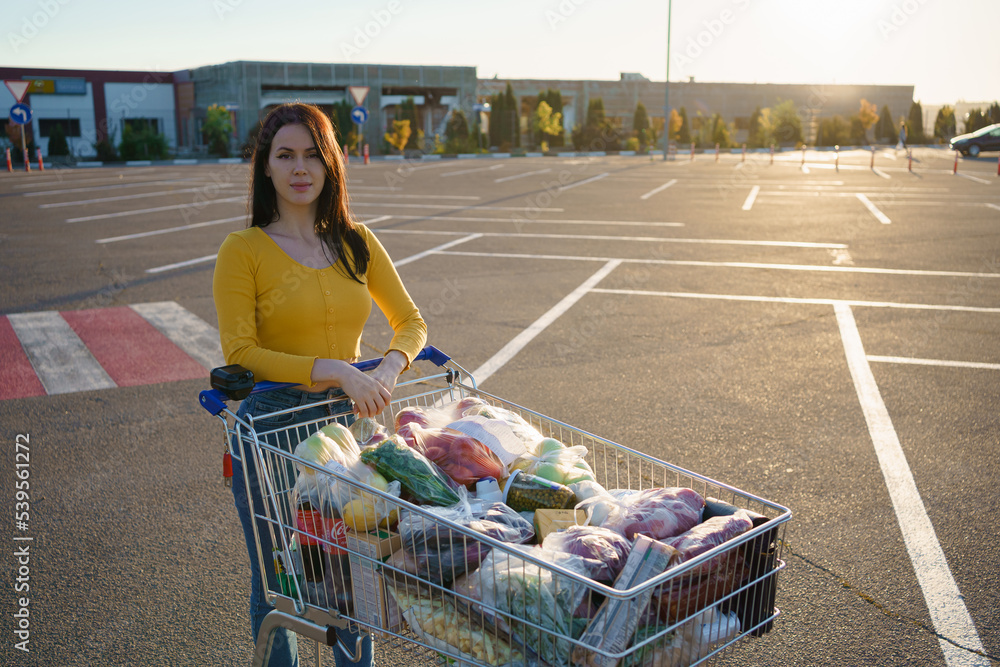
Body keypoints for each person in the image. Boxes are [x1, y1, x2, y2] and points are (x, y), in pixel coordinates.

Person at [213, 102, 427, 666]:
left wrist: (386, 368)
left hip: (343, 429)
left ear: (332, 165)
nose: (299, 168)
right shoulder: (244, 251)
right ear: (265, 167)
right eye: (285, 155)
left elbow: (411, 323)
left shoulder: (356, 242)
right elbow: (240, 352)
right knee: (279, 582)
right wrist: (337, 370)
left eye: (313, 154)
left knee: (352, 579)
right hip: (272, 430)